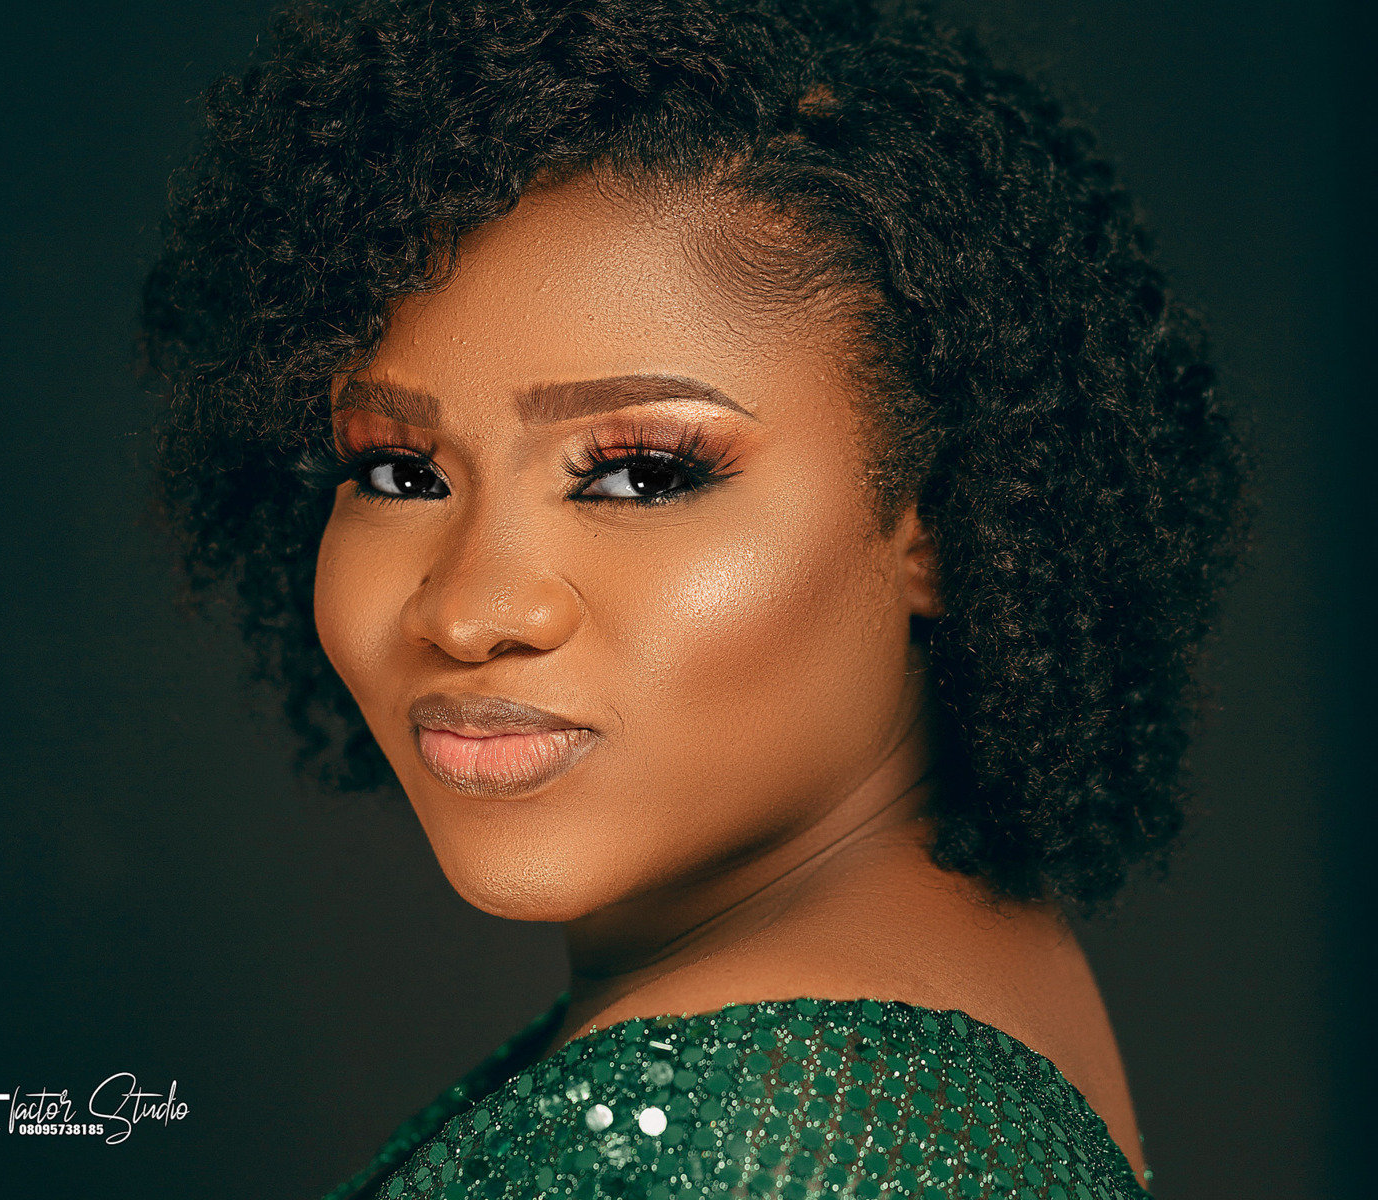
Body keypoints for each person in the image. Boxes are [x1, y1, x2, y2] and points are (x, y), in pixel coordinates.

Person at [140, 1, 1249, 1196]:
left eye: (640, 475)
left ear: (941, 513)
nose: (468, 611)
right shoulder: (947, 978)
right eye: (401, 474)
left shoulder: (726, 1142)